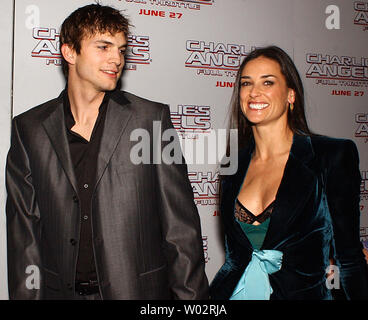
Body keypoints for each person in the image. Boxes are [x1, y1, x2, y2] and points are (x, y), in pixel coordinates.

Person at [6, 3, 208, 300]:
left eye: (122, 50)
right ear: (69, 52)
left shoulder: (150, 120)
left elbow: (181, 232)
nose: (117, 59)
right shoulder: (30, 129)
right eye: (104, 47)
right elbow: (25, 239)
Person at [210, 45, 368, 300]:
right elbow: (233, 258)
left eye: (268, 82)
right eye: (246, 83)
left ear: (290, 95)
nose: (254, 92)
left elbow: (347, 259)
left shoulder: (331, 156)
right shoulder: (233, 166)